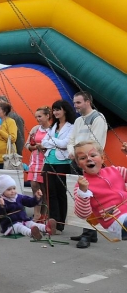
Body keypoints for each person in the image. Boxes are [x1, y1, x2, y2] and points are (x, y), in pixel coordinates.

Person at [67, 91, 109, 247]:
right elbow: (71, 139)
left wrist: (80, 155)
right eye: (74, 102)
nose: (75, 105)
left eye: (78, 102)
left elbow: (95, 143)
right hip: (77, 160)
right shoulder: (78, 120)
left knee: (89, 197)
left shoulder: (98, 118)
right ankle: (87, 232)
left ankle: (88, 233)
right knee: (80, 196)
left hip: (90, 162)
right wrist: (73, 153)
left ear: (87, 102)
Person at [72, 141, 127, 244]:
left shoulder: (116, 171)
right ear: (79, 164)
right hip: (116, 222)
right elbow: (83, 214)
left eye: (93, 155)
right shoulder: (81, 186)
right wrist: (83, 192)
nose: (89, 159)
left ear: (102, 158)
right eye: (83, 158)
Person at [41, 99, 75, 235]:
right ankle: (52, 221)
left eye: (58, 109)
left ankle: (60, 224)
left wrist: (52, 141)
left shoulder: (71, 127)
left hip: (62, 163)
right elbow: (43, 142)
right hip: (49, 161)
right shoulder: (53, 126)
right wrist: (53, 142)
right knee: (50, 193)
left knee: (60, 193)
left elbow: (65, 143)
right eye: (54, 110)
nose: (55, 112)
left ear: (64, 110)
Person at [0, 174, 55, 240]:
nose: (12, 191)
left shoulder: (19, 197)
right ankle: (32, 233)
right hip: (10, 225)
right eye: (9, 190)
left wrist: (36, 198)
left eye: (14, 188)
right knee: (20, 227)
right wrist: (2, 206)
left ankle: (47, 228)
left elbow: (30, 202)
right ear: (3, 192)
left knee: (32, 224)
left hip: (23, 220)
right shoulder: (2, 200)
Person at [26, 106, 53, 220]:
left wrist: (46, 147)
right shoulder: (35, 129)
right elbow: (27, 144)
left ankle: (44, 214)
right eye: (36, 117)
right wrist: (33, 147)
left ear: (47, 116)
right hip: (35, 160)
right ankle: (36, 214)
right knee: (34, 185)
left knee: (44, 188)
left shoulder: (53, 129)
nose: (38, 119)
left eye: (40, 116)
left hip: (46, 160)